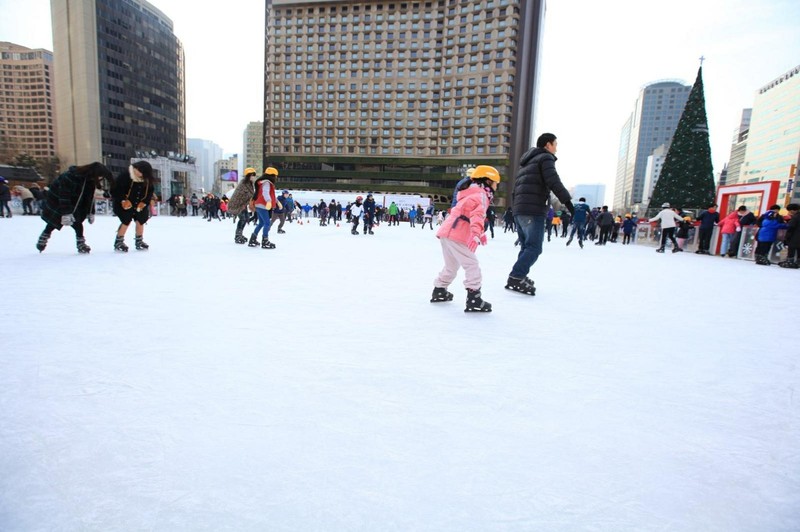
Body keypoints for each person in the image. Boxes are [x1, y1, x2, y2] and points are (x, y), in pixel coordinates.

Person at [506, 133, 574, 295]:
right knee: (535, 248)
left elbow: (516, 189)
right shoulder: (545, 158)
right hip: (533, 210)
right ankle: (516, 276)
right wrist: (569, 204)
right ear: (548, 144)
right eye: (555, 144)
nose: (556, 148)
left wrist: (516, 209)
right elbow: (554, 181)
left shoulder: (526, 163)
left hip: (520, 210)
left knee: (526, 246)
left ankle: (520, 275)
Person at [431, 165, 499, 312]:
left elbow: (469, 213)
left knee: (451, 266)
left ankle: (439, 289)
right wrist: (476, 233)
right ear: (487, 181)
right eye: (495, 183)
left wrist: (479, 233)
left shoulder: (469, 193)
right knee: (472, 265)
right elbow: (477, 216)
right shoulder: (481, 195)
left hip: (447, 232)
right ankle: (474, 298)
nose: (496, 186)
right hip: (457, 234)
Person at [36, 162, 113, 253]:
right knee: (54, 222)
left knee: (78, 223)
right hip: (58, 201)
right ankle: (44, 237)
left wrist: (90, 212)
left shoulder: (89, 181)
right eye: (100, 176)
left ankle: (80, 243)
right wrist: (66, 213)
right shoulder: (69, 177)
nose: (100, 179)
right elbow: (64, 195)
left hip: (75, 203)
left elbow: (89, 198)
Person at [110, 160, 156, 252]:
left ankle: (139, 240)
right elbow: (115, 189)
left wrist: (144, 202)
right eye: (139, 171)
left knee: (141, 220)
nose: (139, 174)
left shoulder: (146, 180)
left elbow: (150, 191)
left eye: (142, 173)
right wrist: (123, 200)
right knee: (126, 220)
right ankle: (119, 241)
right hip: (125, 203)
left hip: (139, 203)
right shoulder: (125, 176)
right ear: (135, 168)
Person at [248, 167, 279, 249]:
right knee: (267, 223)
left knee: (261, 223)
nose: (276, 177)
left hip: (259, 205)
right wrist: (268, 201)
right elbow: (265, 193)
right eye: (275, 176)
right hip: (263, 205)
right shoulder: (267, 183)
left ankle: (253, 239)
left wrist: (277, 201)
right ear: (272, 175)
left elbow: (270, 194)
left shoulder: (263, 182)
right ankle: (265, 241)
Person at [227, 167, 257, 244]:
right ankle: (238, 236)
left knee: (245, 218)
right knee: (243, 219)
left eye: (254, 175)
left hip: (242, 204)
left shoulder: (249, 184)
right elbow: (240, 195)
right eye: (252, 175)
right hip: (237, 204)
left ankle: (240, 234)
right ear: (248, 175)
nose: (254, 176)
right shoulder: (243, 183)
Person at [779, 203, 800, 268]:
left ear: (793, 210)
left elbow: (790, 227)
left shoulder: (795, 217)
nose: (789, 213)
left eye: (790, 211)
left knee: (792, 249)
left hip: (794, 237)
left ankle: (790, 261)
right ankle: (798, 262)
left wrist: (787, 237)